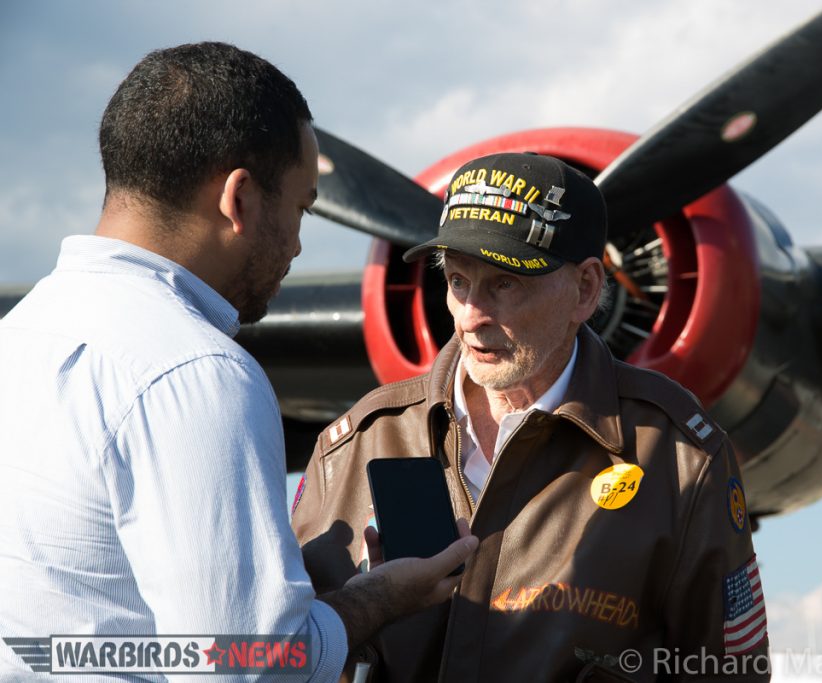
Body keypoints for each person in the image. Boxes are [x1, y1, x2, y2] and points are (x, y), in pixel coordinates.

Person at [0, 42, 476, 680]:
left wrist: (277, 583)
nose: (301, 243)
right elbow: (248, 665)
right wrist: (377, 597)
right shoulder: (199, 370)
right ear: (240, 198)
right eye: (302, 207)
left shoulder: (21, 334)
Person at [292, 152, 771, 681]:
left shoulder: (681, 458)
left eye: (504, 284)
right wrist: (367, 606)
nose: (471, 317)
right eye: (457, 281)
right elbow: (271, 653)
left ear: (586, 290)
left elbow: (730, 673)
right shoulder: (355, 445)